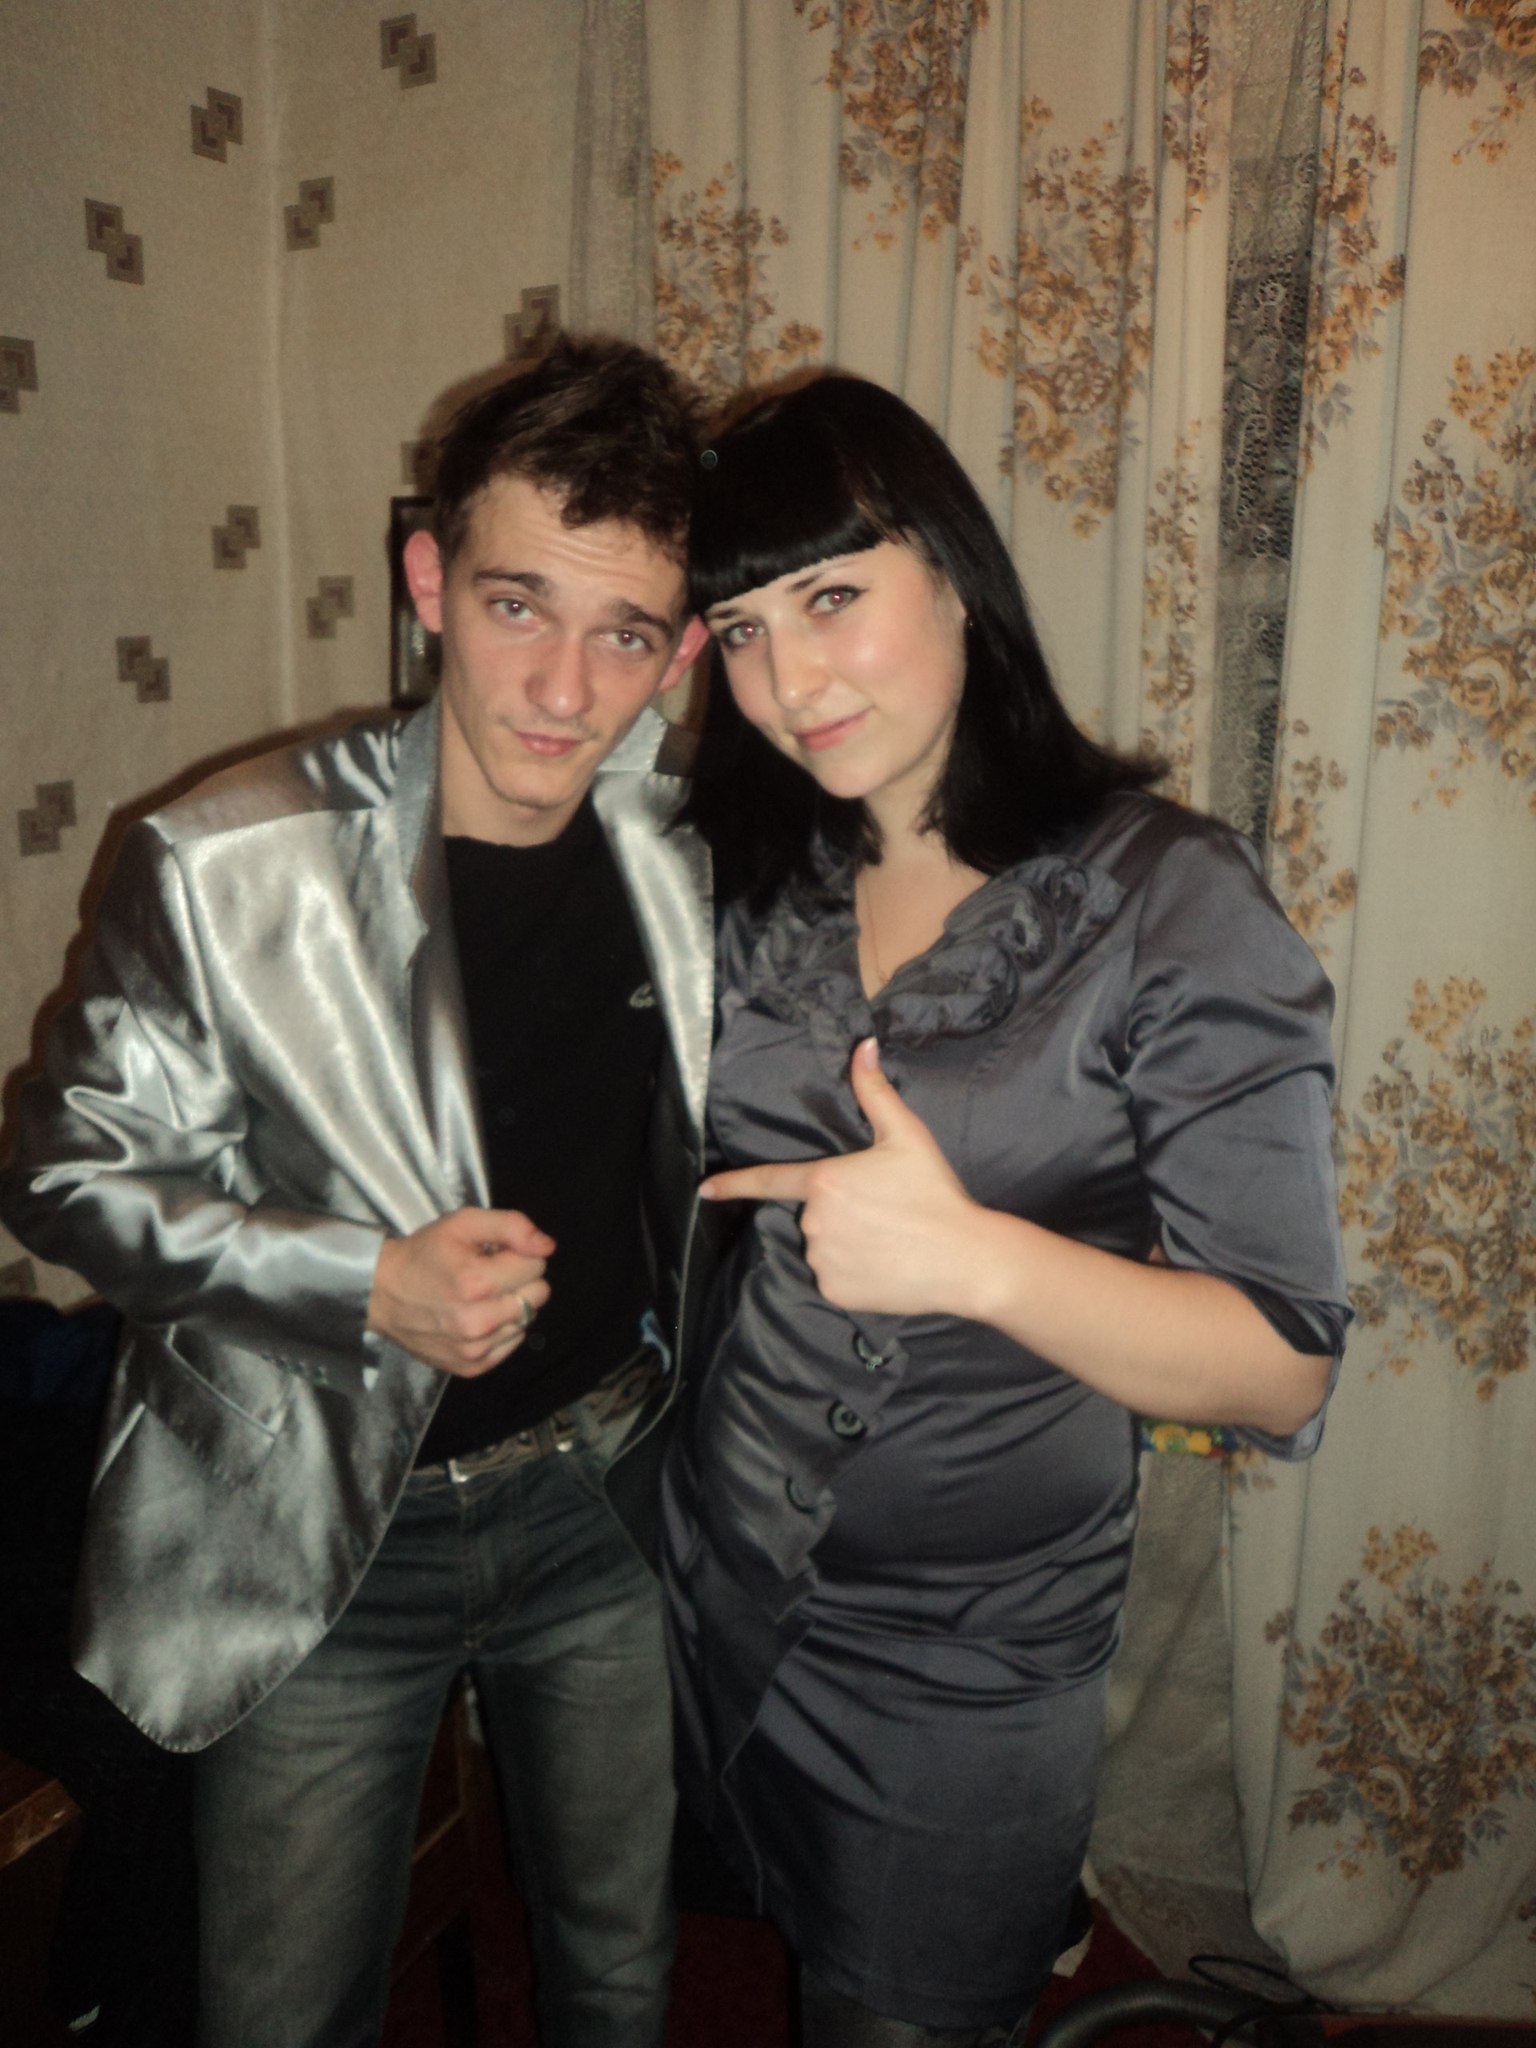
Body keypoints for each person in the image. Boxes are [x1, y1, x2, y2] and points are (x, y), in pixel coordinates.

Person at [0, 336, 713, 2048]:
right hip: (322, 1531)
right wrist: (360, 1281)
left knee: (622, 1973)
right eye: (518, 605)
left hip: (604, 1502)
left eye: (624, 634)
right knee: (284, 2011)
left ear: (683, 651)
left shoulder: (688, 857)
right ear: (430, 581)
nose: (563, 688)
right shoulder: (226, 865)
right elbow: (62, 1172)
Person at [661, 373, 1352, 2048]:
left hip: (968, 1655)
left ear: (957, 577)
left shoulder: (1165, 897)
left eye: (833, 598)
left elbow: (1281, 1364)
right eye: (742, 630)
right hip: (709, 1577)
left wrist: (971, 1258)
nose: (789, 680)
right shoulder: (743, 880)